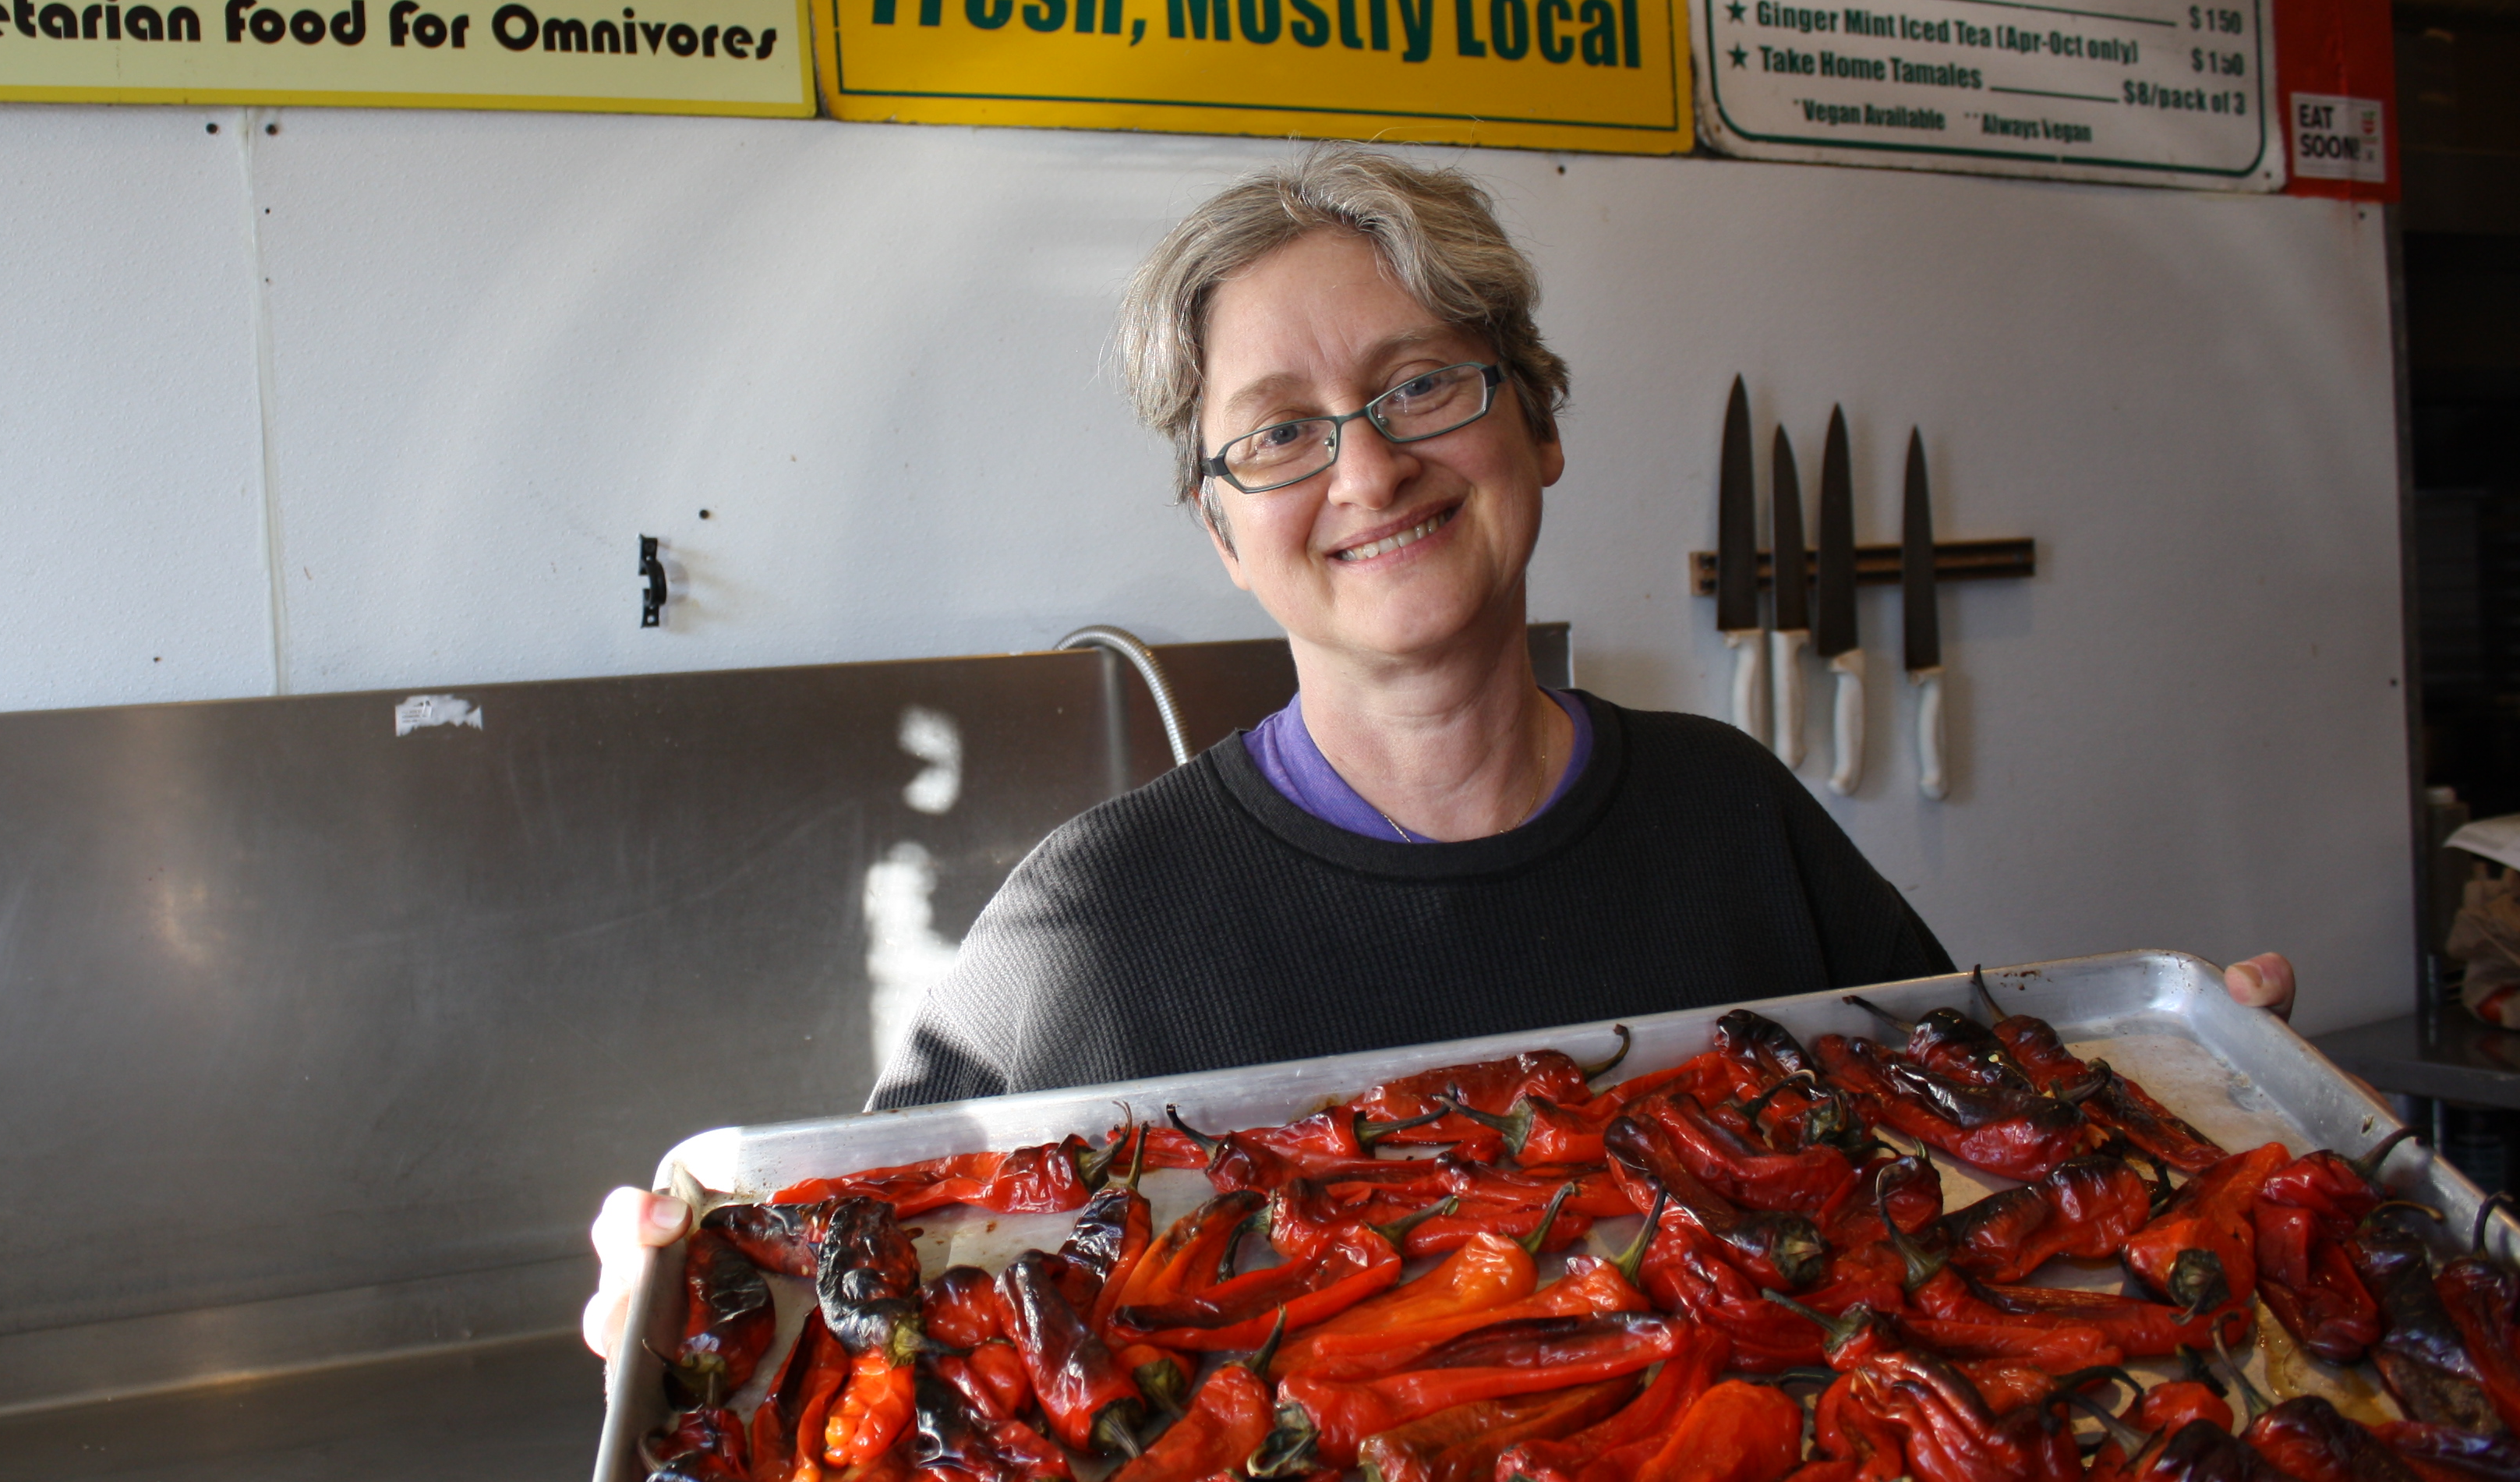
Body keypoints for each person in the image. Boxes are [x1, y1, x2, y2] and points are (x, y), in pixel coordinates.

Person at [581, 148, 2295, 1357]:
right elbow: (849, 1281)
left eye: (1423, 387)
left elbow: (1985, 1164)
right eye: (1280, 434)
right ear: (1219, 530)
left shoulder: (1730, 814)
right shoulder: (1091, 927)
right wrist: (666, 1301)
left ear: (1537, 424)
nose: (1367, 469)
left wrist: (2187, 1115)